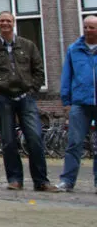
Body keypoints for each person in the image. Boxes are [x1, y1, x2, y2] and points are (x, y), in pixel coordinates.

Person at [0, 11, 57, 192]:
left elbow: (38, 70)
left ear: (14, 23)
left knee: (35, 137)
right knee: (8, 140)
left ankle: (41, 181)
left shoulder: (28, 46)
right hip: (4, 98)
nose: (5, 23)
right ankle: (15, 179)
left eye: (8, 21)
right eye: (2, 21)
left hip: (25, 97)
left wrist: (32, 90)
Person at [56, 15, 97, 193]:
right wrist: (66, 102)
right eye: (86, 27)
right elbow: (67, 76)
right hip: (79, 104)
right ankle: (67, 181)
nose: (88, 31)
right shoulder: (74, 49)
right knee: (74, 143)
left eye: (92, 28)